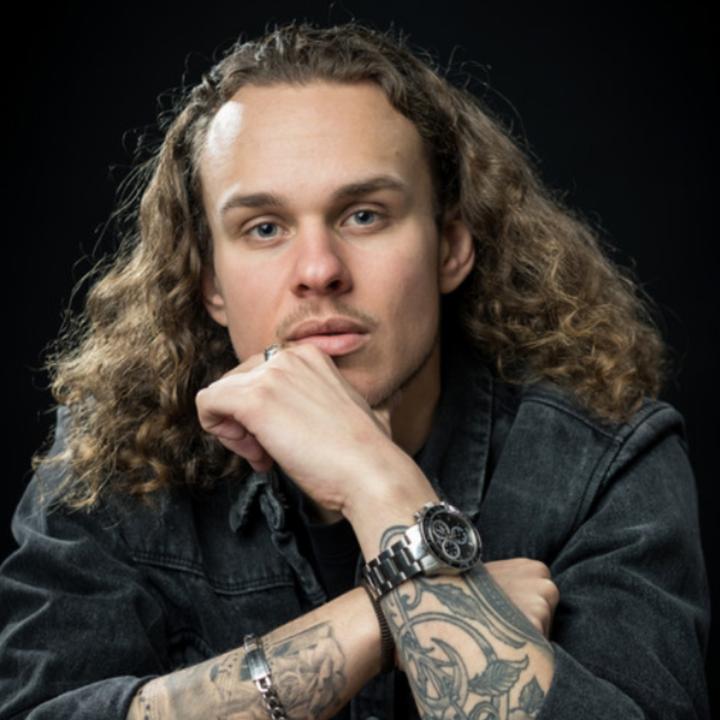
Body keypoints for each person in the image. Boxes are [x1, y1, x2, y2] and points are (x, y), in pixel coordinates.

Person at [0, 21, 710, 720]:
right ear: (211, 283)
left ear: (450, 248)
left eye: (365, 215)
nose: (319, 270)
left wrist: (376, 481)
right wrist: (383, 614)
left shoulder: (603, 459)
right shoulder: (114, 460)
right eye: (264, 228)